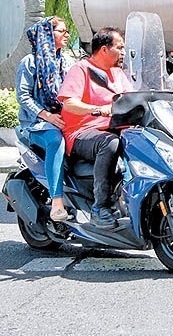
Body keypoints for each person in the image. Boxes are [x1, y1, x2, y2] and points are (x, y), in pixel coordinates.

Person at [57, 27, 133, 228]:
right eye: (120, 47)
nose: (123, 52)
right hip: (82, 133)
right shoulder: (81, 69)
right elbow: (69, 103)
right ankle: (100, 208)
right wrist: (98, 110)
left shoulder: (118, 74)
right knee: (110, 144)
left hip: (115, 128)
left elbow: (131, 99)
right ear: (104, 49)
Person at [15, 17, 75, 222]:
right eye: (61, 31)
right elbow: (23, 96)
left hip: (67, 117)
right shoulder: (30, 62)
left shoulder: (67, 61)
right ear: (47, 35)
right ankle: (57, 201)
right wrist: (47, 115)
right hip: (37, 123)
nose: (67, 35)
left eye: (67, 31)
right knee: (55, 141)